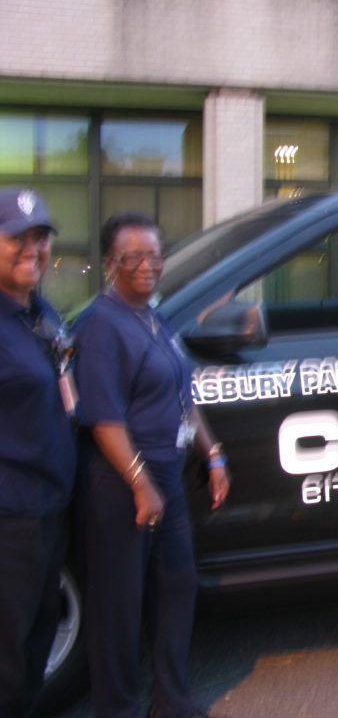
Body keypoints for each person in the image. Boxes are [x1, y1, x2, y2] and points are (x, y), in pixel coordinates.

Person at [74, 213, 231, 718]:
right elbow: (103, 418)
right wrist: (141, 483)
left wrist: (213, 453)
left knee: (178, 584)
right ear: (109, 263)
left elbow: (184, 396)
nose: (146, 266)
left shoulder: (153, 318)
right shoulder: (101, 325)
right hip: (123, 483)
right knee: (118, 606)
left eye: (154, 256)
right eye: (131, 257)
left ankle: (171, 700)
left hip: (166, 476)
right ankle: (116, 708)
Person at [0, 189, 76, 717]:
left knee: (34, 649)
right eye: (17, 238)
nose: (32, 248)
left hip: (49, 508)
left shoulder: (39, 311)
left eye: (40, 237)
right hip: (9, 516)